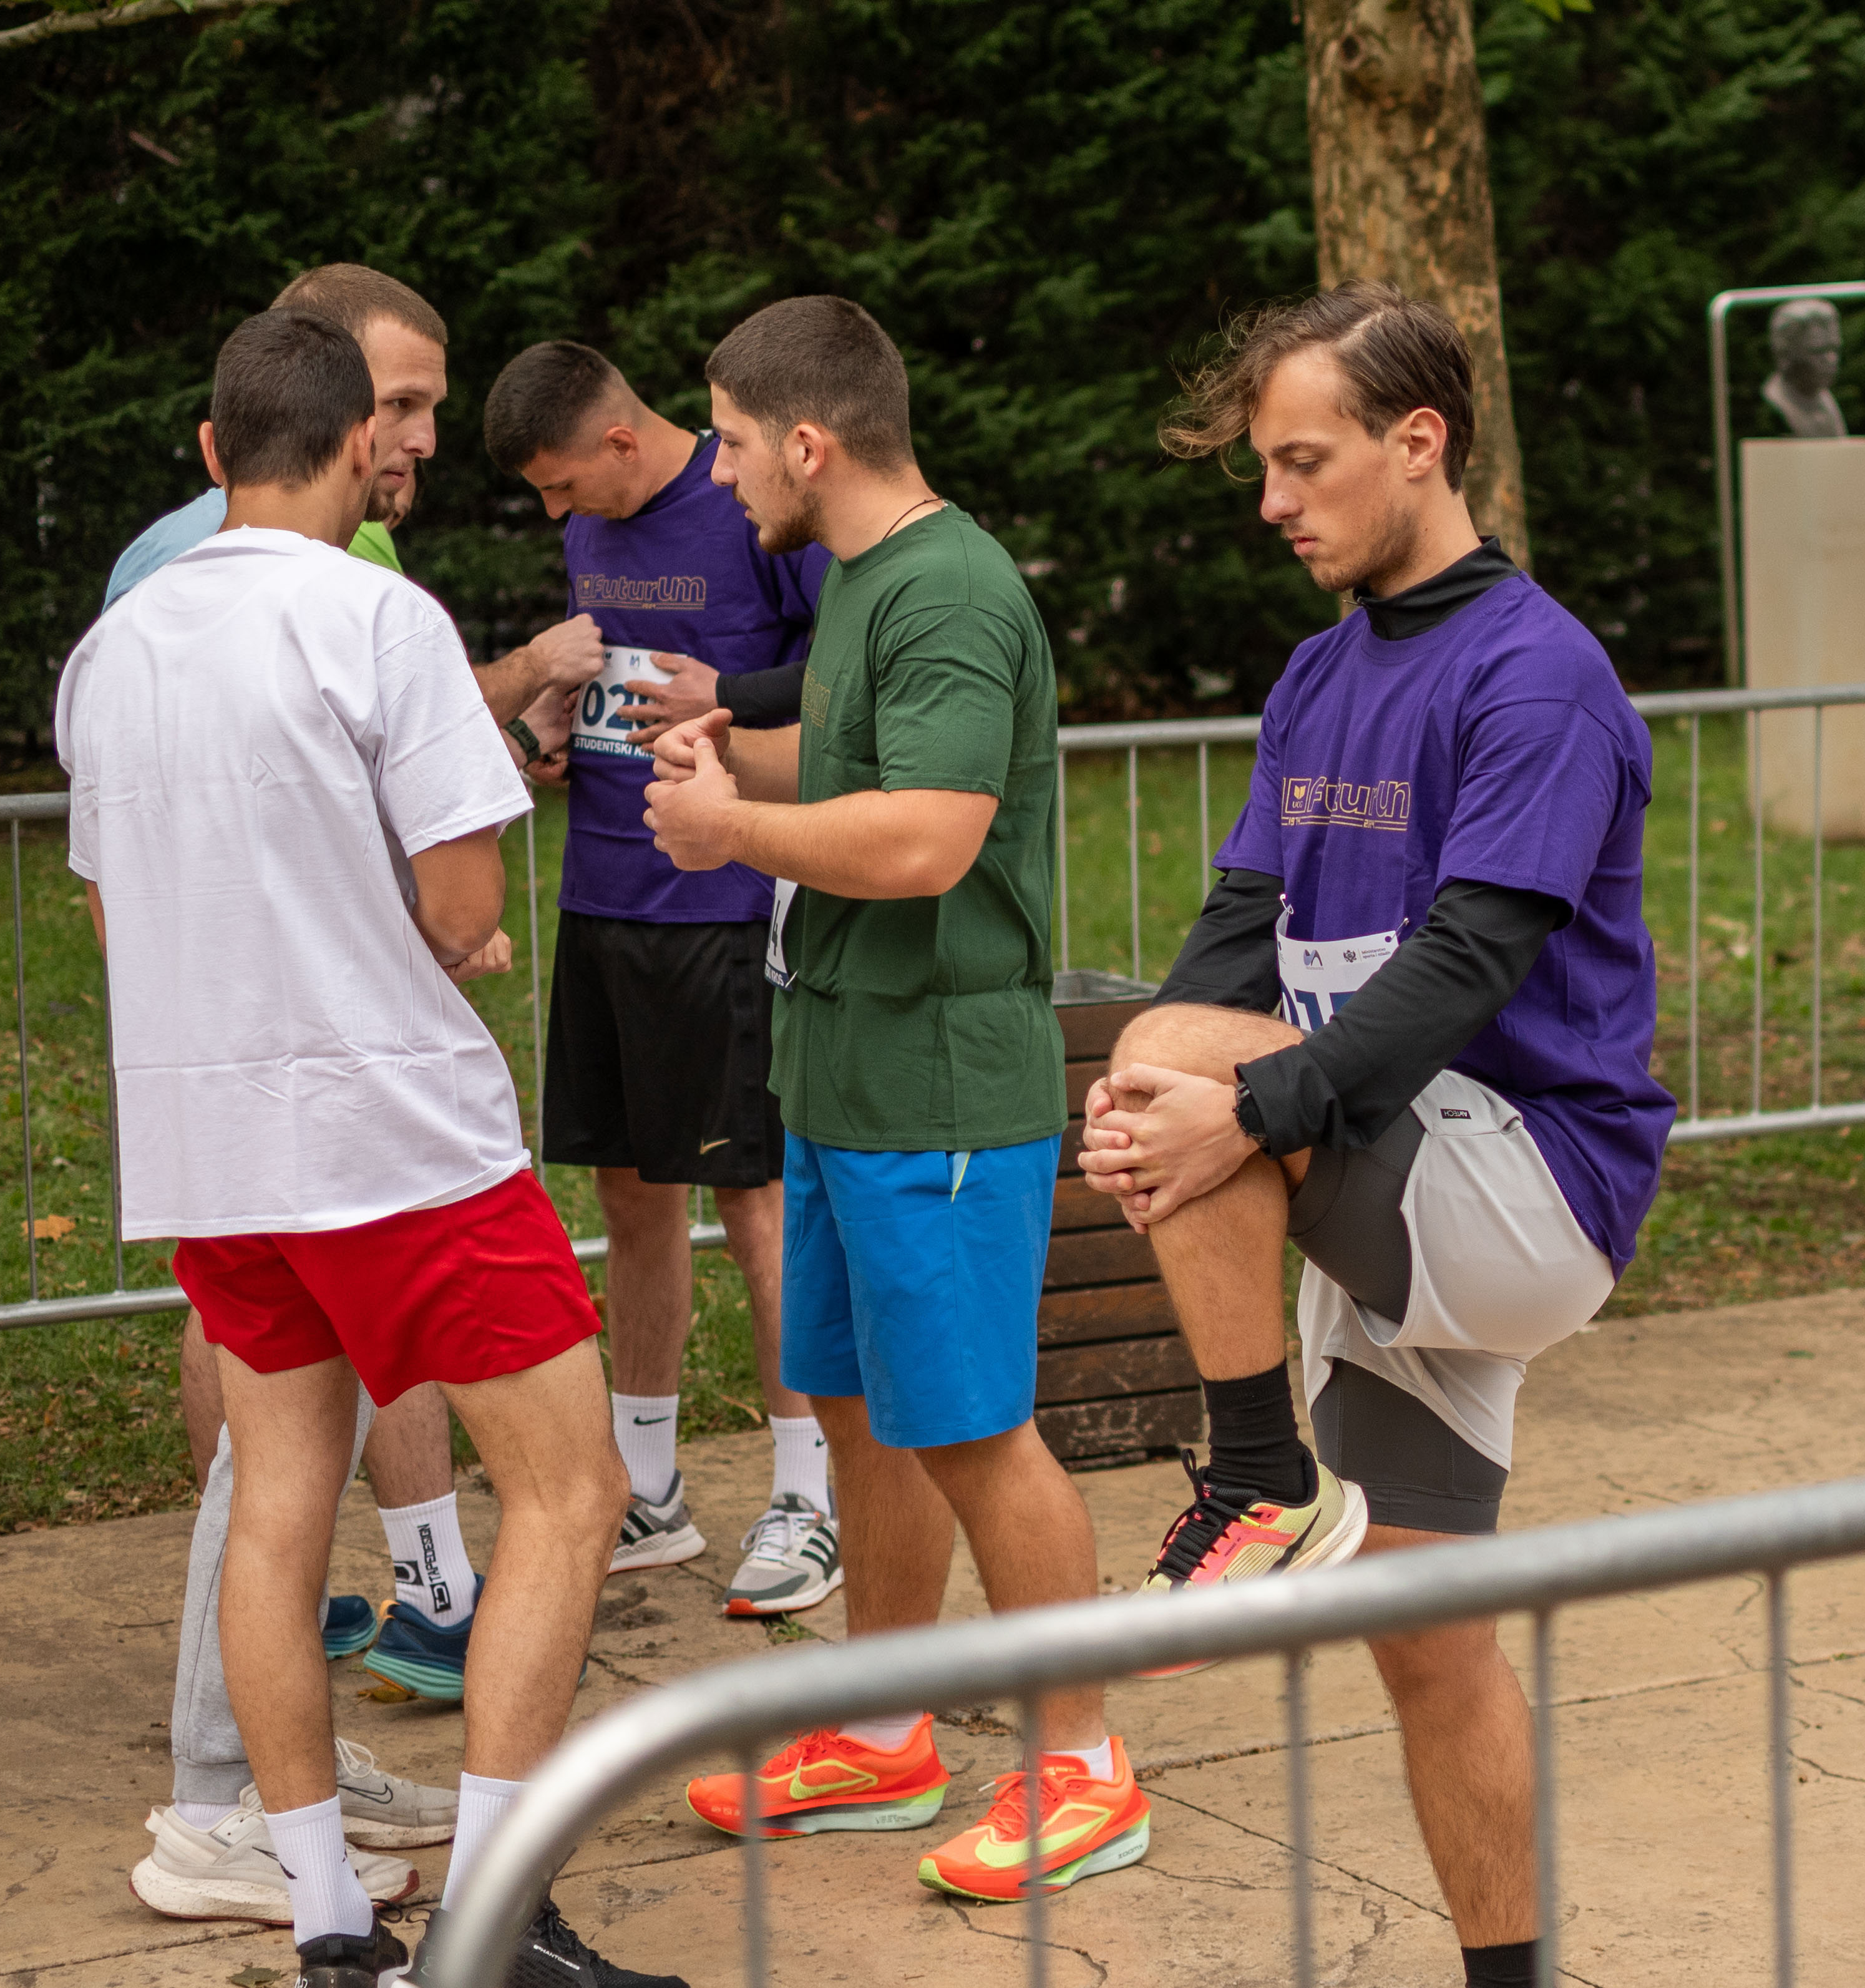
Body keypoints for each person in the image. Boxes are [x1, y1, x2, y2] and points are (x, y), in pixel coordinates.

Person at [1075, 282, 1673, 1988]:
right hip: (1390, 1159)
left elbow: (1474, 957)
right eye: (1263, 468)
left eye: (1303, 461)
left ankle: (1255, 1475)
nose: (1273, 502)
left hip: (1529, 1182)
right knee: (1427, 1636)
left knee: (1183, 1058)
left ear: (1419, 443)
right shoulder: (1317, 671)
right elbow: (1237, 928)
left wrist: (1237, 1101)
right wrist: (1147, 1095)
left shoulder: (1537, 674)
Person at [59, 309, 660, 1988]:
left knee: (276, 1506)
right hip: (392, 1131)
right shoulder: (379, 616)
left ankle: (329, 1912)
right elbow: (463, 907)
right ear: (353, 448)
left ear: (211, 452)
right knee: (573, 1488)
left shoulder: (113, 647)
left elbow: (109, 913)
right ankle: (493, 1912)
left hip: (212, 1138)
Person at [646, 295, 1146, 1903]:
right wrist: (733, 753)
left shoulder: (950, 587)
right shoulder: (865, 576)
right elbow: (855, 766)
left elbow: (928, 836)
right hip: (844, 1077)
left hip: (937, 1091)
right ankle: (881, 1733)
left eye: (729, 441)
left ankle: (1083, 1770)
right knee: (862, 1415)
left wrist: (726, 833)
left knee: (977, 1435)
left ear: (808, 442)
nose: (717, 473)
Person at [100, 267, 487, 1927]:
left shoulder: (297, 582)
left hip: (265, 1102)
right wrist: (379, 951)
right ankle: (231, 1792)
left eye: (425, 409)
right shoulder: (235, 585)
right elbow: (420, 887)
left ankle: (278, 1788)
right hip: (331, 1108)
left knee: (282, 1472)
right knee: (317, 1477)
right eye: (394, 408)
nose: (414, 440)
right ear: (318, 420)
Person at [481, 339, 837, 1617]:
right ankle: (649, 1488)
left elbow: (849, 670)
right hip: (603, 894)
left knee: (755, 1201)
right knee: (631, 1196)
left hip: (727, 900)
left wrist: (726, 694)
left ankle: (810, 1494)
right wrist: (552, 731)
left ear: (622, 441)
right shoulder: (594, 523)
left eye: (562, 484)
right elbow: (615, 684)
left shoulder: (749, 500)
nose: (555, 514)